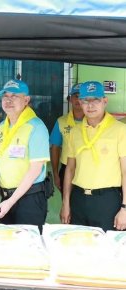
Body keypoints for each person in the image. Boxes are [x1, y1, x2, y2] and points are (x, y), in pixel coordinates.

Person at [60, 81, 126, 232]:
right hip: (78, 199)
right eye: (85, 100)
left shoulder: (120, 130)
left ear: (104, 101)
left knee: (106, 249)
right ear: (79, 103)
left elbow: (125, 172)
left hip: (107, 201)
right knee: (78, 246)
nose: (90, 105)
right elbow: (70, 170)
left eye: (95, 100)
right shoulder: (75, 132)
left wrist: (124, 208)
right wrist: (66, 203)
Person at [0, 79, 50, 232]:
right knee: (8, 245)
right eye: (5, 96)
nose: (8, 100)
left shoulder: (36, 127)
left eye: (14, 96)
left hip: (29, 200)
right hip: (7, 198)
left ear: (26, 100)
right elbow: (1, 162)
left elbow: (35, 170)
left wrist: (10, 201)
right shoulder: (1, 127)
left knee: (28, 249)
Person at [49, 83, 84, 195]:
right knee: (67, 204)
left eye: (82, 96)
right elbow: (55, 148)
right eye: (76, 96)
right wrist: (55, 174)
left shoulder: (94, 122)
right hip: (66, 168)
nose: (79, 99)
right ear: (70, 99)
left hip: (87, 168)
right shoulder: (61, 121)